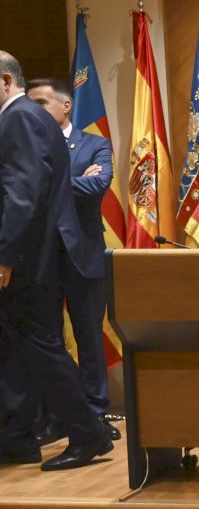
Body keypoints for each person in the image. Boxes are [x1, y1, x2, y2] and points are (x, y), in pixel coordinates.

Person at [0, 51, 112, 471]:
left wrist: (5, 254)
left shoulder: (20, 117)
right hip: (30, 254)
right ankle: (18, 440)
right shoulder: (24, 117)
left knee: (39, 344)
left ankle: (88, 432)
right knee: (18, 347)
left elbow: (22, 194)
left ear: (6, 81)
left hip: (26, 258)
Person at [25, 77, 119, 442]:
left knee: (89, 338)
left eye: (41, 103)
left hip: (83, 255)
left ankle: (94, 415)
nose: (33, 111)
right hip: (41, 257)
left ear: (66, 106)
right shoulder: (27, 145)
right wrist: (73, 181)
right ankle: (59, 416)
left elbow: (98, 186)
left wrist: (46, 184)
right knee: (47, 340)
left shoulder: (95, 144)